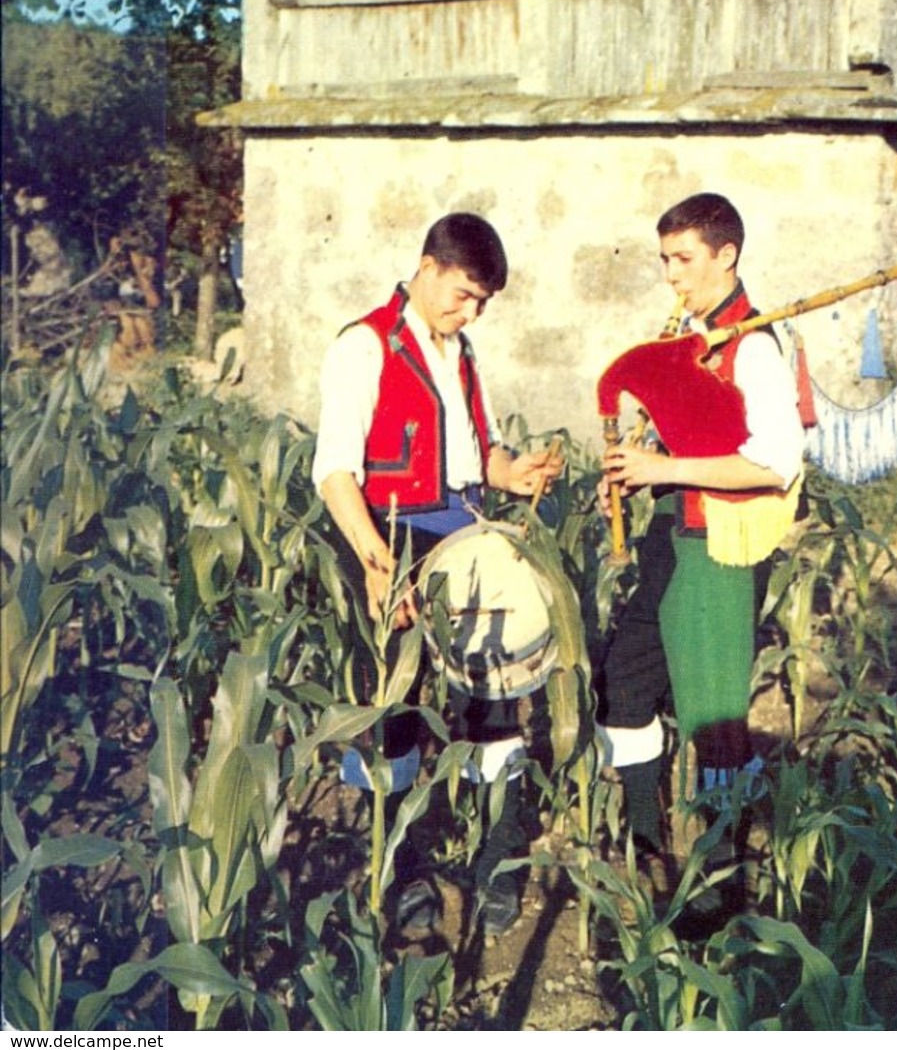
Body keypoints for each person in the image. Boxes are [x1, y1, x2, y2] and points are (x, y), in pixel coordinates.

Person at [312, 211, 562, 937]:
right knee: (396, 713)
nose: (471, 311)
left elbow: (477, 455)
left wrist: (515, 472)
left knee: (497, 699)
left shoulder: (462, 352)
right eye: (461, 294)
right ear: (424, 268)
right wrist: (374, 561)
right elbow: (334, 471)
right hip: (395, 539)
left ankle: (495, 861)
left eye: (482, 302)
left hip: (467, 538)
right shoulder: (364, 346)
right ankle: (403, 871)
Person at [596, 192, 805, 894]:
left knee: (713, 711)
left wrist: (664, 469)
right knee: (624, 678)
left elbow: (775, 464)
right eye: (663, 260)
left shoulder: (754, 346)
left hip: (720, 545)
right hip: (669, 536)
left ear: (726, 256)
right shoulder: (686, 339)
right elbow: (676, 439)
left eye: (682, 259)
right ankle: (648, 849)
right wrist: (635, 475)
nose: (670, 276)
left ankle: (723, 874)